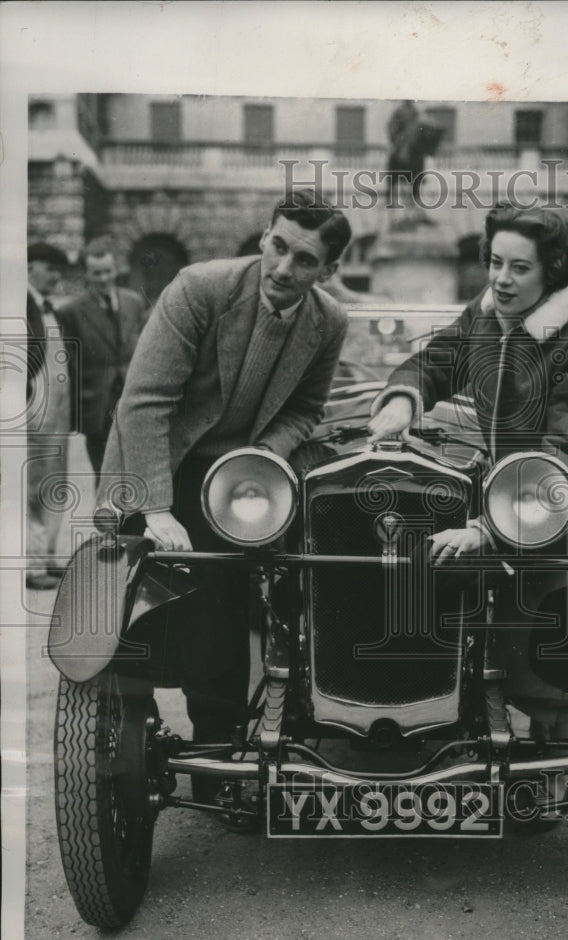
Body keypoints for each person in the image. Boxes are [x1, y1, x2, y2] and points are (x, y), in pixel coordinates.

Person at [96, 189, 352, 773]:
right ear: (264, 236)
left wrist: (262, 457)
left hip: (233, 483)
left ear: (329, 270)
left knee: (225, 605)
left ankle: (218, 757)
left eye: (305, 260)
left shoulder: (329, 322)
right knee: (128, 609)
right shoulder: (199, 287)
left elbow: (305, 412)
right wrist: (157, 509)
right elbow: (144, 402)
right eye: (278, 246)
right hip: (153, 461)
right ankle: (118, 745)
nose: (283, 269)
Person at [368, 204, 568, 787]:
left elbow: (566, 450)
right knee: (457, 585)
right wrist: (404, 398)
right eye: (494, 262)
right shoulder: (487, 315)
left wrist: (486, 528)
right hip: (505, 484)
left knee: (547, 626)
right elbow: (436, 361)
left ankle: (555, 761)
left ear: (552, 273)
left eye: (519, 267)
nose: (501, 279)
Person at [58, 237, 148, 479]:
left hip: (132, 402)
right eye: (96, 273)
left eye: (107, 271)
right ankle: (108, 517)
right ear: (86, 274)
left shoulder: (134, 302)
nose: (103, 279)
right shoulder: (70, 313)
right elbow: (69, 367)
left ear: (117, 269)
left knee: (136, 475)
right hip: (97, 409)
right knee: (105, 478)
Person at [26, 242, 72, 590]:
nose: (56, 276)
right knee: (31, 488)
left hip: (57, 416)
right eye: (50, 267)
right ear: (31, 267)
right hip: (33, 412)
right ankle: (32, 565)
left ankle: (49, 556)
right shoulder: (20, 303)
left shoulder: (47, 308)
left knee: (54, 485)